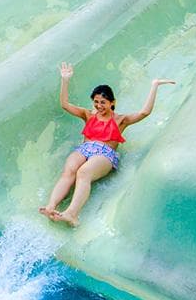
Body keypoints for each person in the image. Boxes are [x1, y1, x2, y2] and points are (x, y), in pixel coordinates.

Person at [39, 62, 175, 227]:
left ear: (112, 102)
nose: (99, 106)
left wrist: (154, 85)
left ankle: (72, 214)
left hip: (104, 154)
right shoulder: (88, 115)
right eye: (96, 102)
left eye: (103, 102)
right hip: (84, 149)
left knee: (83, 172)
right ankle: (51, 206)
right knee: (70, 170)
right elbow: (65, 104)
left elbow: (144, 112)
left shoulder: (120, 120)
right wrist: (65, 80)